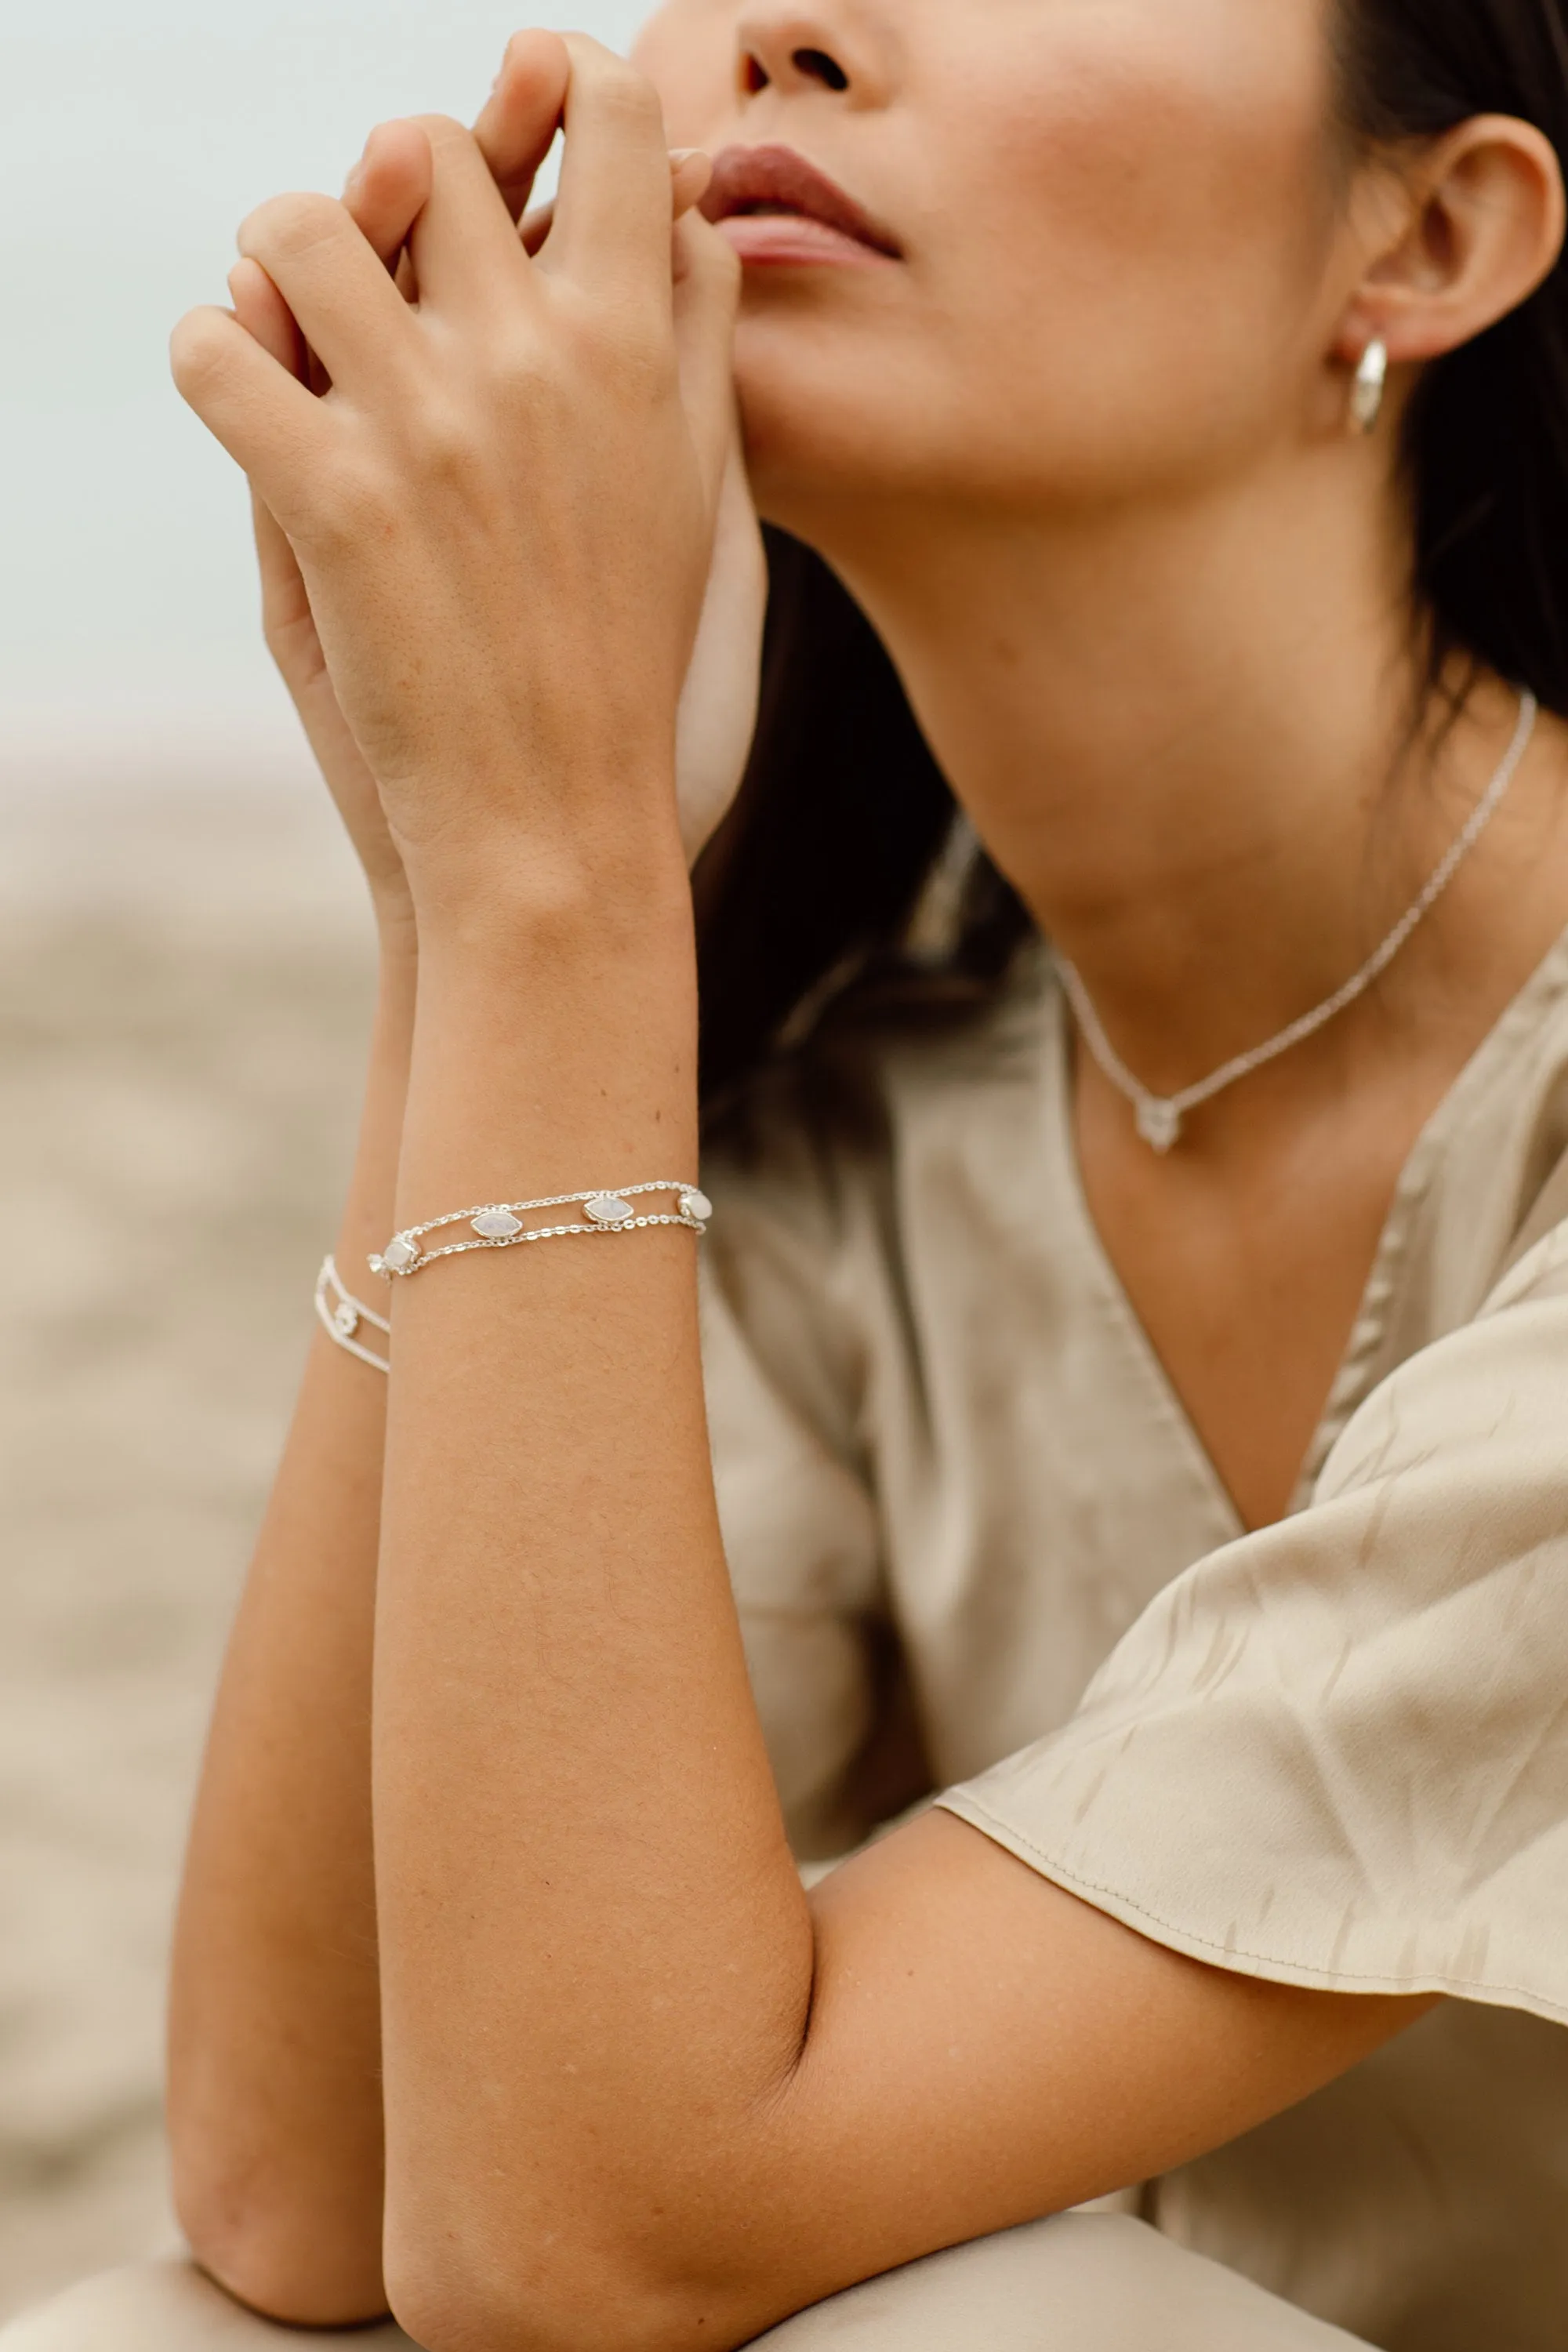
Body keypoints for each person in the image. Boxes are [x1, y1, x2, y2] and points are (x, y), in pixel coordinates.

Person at [10, 2, 1568, 2344]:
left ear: (1432, 231)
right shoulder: (886, 1125)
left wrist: (558, 881)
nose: (785, 29)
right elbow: (304, 2187)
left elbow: (587, 2238)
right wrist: (476, 892)